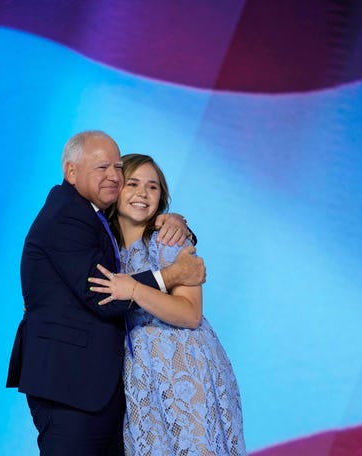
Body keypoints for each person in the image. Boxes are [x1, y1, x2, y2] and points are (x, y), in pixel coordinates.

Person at [6, 131, 206, 455]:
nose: (114, 176)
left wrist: (177, 221)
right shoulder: (69, 216)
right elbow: (103, 296)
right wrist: (173, 275)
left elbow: (142, 223)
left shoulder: (93, 217)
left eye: (117, 168)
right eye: (102, 168)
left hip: (100, 388)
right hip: (71, 385)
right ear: (71, 172)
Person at [89, 154, 247, 455]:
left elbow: (190, 314)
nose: (142, 194)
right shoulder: (104, 247)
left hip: (185, 366)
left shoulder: (169, 240)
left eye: (153, 187)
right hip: (142, 374)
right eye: (132, 183)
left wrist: (134, 289)